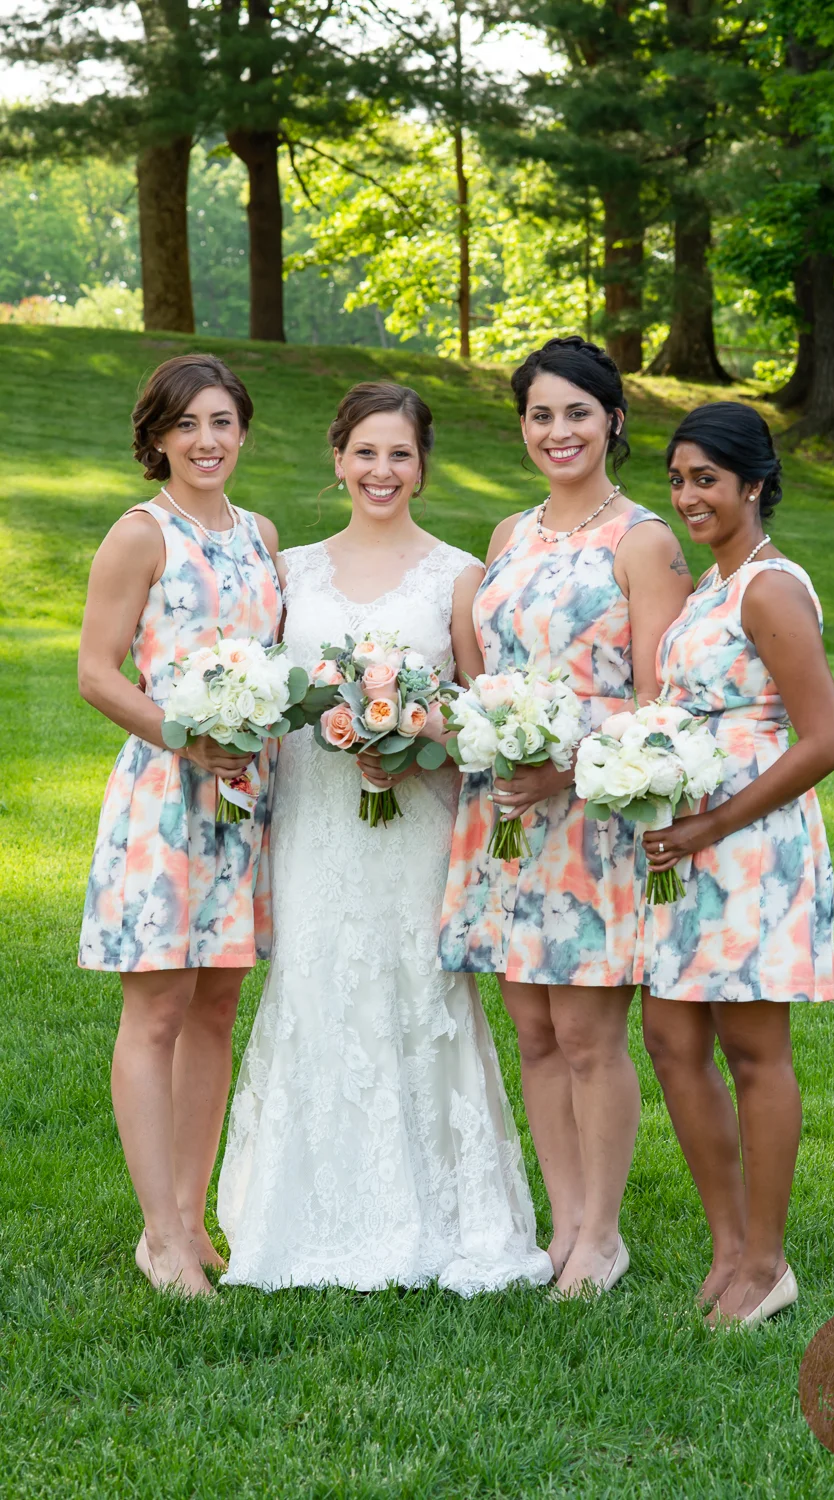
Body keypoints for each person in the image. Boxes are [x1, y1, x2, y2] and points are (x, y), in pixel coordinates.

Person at [217, 381, 552, 1296]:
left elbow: (479, 722)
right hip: (316, 822)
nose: (381, 470)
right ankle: (300, 1214)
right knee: (315, 984)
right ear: (337, 459)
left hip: (415, 825)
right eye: (365, 452)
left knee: (417, 993)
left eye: (400, 454)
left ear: (422, 466)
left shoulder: (456, 576)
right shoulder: (291, 571)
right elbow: (265, 693)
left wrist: (413, 740)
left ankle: (444, 1213)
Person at [438, 336, 692, 1295]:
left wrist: (564, 763)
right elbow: (483, 673)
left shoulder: (643, 541)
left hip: (592, 814)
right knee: (534, 1033)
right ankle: (564, 1221)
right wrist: (491, 738)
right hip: (505, 811)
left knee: (587, 1036)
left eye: (576, 413)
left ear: (612, 421)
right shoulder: (508, 534)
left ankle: (603, 1235)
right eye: (540, 415)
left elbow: (662, 701)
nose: (558, 431)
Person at [78, 354, 283, 1298]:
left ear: (242, 432)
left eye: (222, 422)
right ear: (156, 437)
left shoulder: (261, 535)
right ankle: (157, 1234)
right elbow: (97, 672)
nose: (206, 441)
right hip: (166, 795)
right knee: (157, 1009)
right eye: (187, 424)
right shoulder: (139, 534)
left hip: (244, 799)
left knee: (215, 1007)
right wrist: (183, 735)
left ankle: (194, 1220)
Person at [640, 401, 834, 1327]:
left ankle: (766, 1263)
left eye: (706, 480)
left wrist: (713, 823)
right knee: (669, 1038)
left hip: (751, 848)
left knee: (754, 1052)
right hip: (691, 847)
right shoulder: (708, 587)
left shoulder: (767, 589)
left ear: (754, 485)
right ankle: (728, 1245)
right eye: (677, 479)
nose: (688, 496)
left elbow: (827, 739)